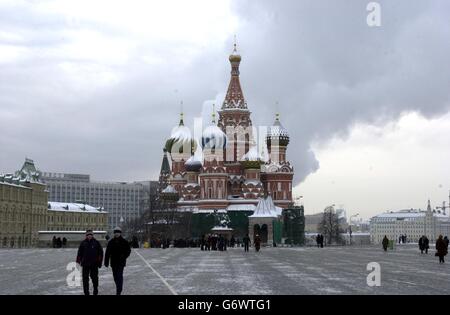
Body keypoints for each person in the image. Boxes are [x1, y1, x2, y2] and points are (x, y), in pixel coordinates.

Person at [104, 227, 131, 295]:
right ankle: (119, 287)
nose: (116, 234)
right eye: (115, 232)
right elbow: (107, 252)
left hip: (121, 262)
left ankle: (118, 291)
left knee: (119, 275)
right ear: (114, 233)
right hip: (113, 262)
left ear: (120, 233)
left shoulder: (124, 241)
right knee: (115, 276)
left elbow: (128, 250)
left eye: (118, 232)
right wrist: (106, 261)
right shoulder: (111, 242)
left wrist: (124, 256)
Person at [76, 230, 103, 295]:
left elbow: (101, 253)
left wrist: (99, 262)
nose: (89, 236)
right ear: (86, 236)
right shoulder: (83, 243)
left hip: (94, 264)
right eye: (88, 235)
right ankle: (86, 292)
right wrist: (78, 262)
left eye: (90, 235)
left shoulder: (96, 243)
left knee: (94, 278)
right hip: (85, 264)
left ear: (92, 235)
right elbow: (79, 253)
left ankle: (95, 289)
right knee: (85, 279)